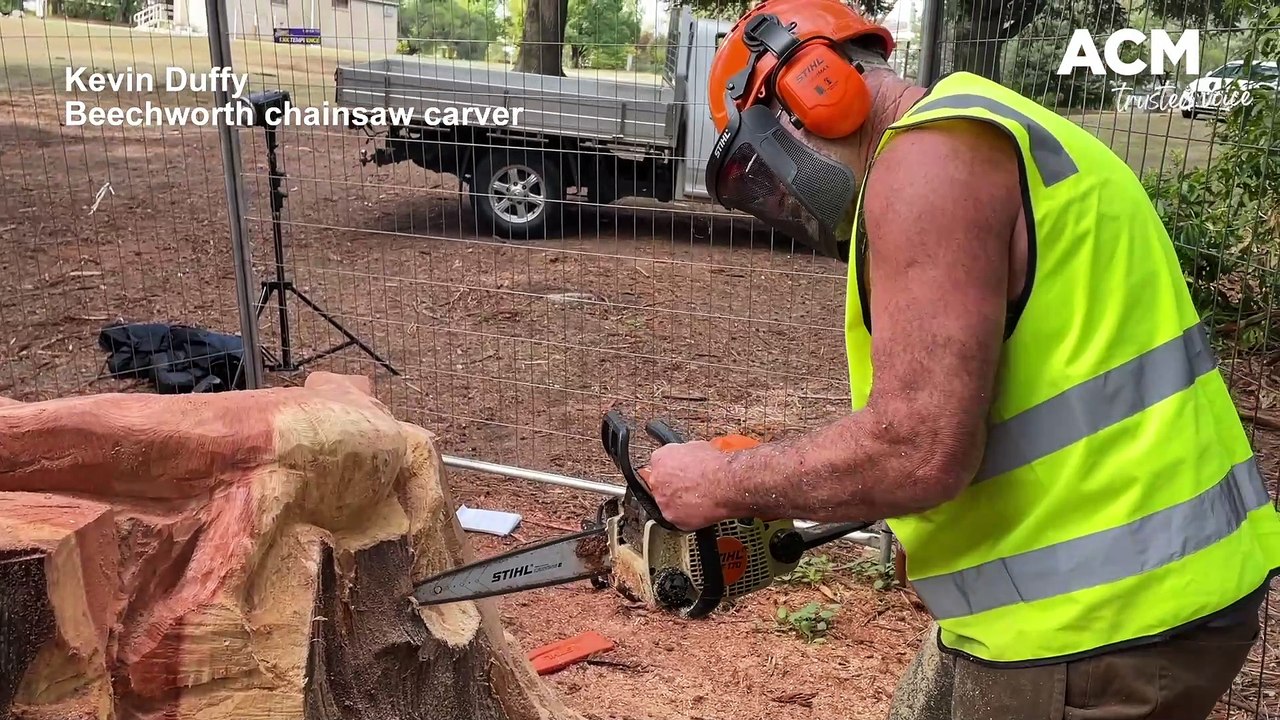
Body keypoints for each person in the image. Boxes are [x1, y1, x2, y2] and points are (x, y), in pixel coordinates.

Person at [639, 0, 1280, 717]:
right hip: (1139, 588)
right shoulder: (988, 128)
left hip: (1096, 624)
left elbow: (917, 449)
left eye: (767, 162)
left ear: (813, 92)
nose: (783, 195)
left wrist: (723, 482)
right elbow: (1021, 389)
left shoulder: (930, 161)